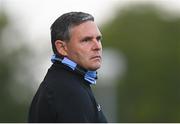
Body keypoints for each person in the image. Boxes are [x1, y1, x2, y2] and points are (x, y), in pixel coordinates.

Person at [28, 12, 107, 123]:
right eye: (86, 40)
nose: (97, 46)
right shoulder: (67, 90)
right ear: (62, 47)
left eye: (98, 39)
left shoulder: (69, 82)